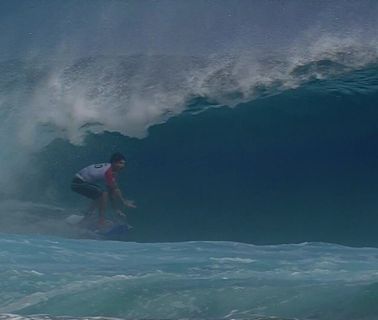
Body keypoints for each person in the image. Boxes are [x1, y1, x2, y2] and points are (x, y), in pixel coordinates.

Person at [71, 152, 136, 228]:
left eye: (124, 164)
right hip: (78, 183)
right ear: (114, 163)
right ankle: (101, 221)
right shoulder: (109, 172)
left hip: (79, 182)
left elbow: (113, 190)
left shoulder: (111, 169)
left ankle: (86, 219)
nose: (123, 166)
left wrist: (118, 207)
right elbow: (113, 191)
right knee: (103, 194)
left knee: (99, 196)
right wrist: (121, 204)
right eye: (121, 163)